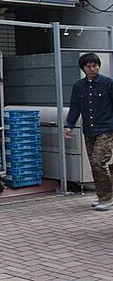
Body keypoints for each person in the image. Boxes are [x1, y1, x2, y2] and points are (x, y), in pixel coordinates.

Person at [65, 52, 113, 211]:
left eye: (95, 65)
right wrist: (69, 126)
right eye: (89, 66)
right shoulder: (78, 86)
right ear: (83, 68)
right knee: (94, 164)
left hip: (106, 129)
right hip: (89, 130)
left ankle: (107, 198)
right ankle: (102, 195)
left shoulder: (108, 83)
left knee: (99, 161)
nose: (93, 69)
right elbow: (75, 107)